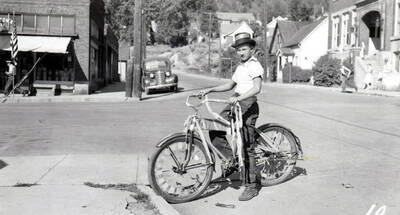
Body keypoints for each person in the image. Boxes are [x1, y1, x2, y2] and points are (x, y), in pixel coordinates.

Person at [198, 32, 263, 201]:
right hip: (237, 101)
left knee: (246, 146)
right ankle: (232, 162)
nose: (241, 52)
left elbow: (257, 88)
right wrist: (209, 89)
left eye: (244, 49)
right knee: (215, 128)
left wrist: (239, 98)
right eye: (238, 50)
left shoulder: (254, 65)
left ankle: (252, 186)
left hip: (248, 103)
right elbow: (230, 85)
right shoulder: (240, 67)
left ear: (251, 49)